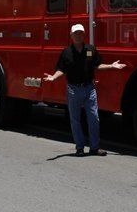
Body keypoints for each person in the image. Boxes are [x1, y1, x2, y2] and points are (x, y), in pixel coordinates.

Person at [43, 24, 125, 156]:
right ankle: (79, 148)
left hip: (89, 88)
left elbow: (98, 65)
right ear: (71, 35)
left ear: (84, 35)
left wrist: (112, 65)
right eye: (76, 33)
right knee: (75, 119)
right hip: (73, 90)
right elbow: (61, 69)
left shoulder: (90, 50)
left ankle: (94, 147)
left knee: (94, 118)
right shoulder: (66, 52)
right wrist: (54, 77)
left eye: (80, 33)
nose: (78, 35)